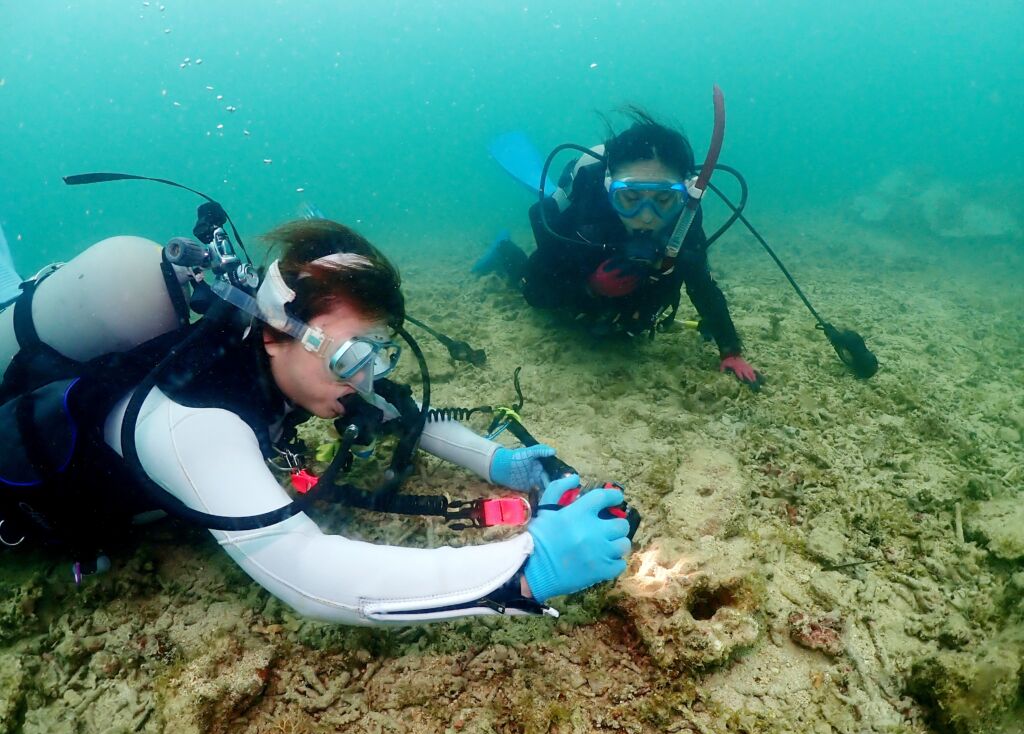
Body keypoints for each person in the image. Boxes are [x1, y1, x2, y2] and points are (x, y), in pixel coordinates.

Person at [0, 217, 632, 625]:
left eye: (378, 354)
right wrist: (527, 566)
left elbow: (400, 415)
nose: (366, 377)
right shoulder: (194, 420)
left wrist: (499, 462)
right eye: (353, 357)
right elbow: (308, 574)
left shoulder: (303, 363)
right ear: (275, 333)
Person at [480, 108, 761, 388]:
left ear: (683, 195)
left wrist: (731, 351)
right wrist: (589, 287)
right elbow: (536, 289)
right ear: (608, 189)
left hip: (629, 318)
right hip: (576, 302)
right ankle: (503, 247)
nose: (646, 216)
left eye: (664, 198)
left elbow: (702, 283)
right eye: (630, 197)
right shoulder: (588, 211)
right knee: (523, 280)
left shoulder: (684, 218)